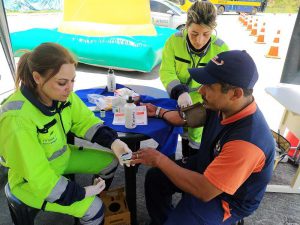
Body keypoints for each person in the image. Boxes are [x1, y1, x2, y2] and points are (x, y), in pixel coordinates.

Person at [132, 50, 275, 225]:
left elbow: (204, 191)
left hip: (227, 198)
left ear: (235, 94)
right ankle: (162, 220)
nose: (200, 90)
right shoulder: (223, 106)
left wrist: (160, 159)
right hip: (209, 166)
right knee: (156, 177)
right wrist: (159, 111)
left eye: (208, 86)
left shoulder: (247, 143)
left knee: (180, 199)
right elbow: (187, 117)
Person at [0, 42, 132, 225]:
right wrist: (82, 193)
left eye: (72, 81)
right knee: (95, 209)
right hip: (29, 183)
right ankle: (89, 209)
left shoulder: (62, 96)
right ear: (37, 78)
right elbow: (40, 178)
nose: (69, 89)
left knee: (111, 161)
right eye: (62, 82)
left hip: (61, 160)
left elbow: (86, 121)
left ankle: (86, 205)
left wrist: (114, 142)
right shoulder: (17, 119)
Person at [159, 1, 229, 159]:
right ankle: (184, 160)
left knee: (197, 143)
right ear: (186, 26)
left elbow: (223, 84)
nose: (199, 40)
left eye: (206, 34)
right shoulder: (174, 41)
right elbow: (167, 71)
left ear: (213, 30)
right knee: (180, 133)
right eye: (194, 33)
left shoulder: (221, 49)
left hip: (205, 105)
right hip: (179, 100)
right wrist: (179, 92)